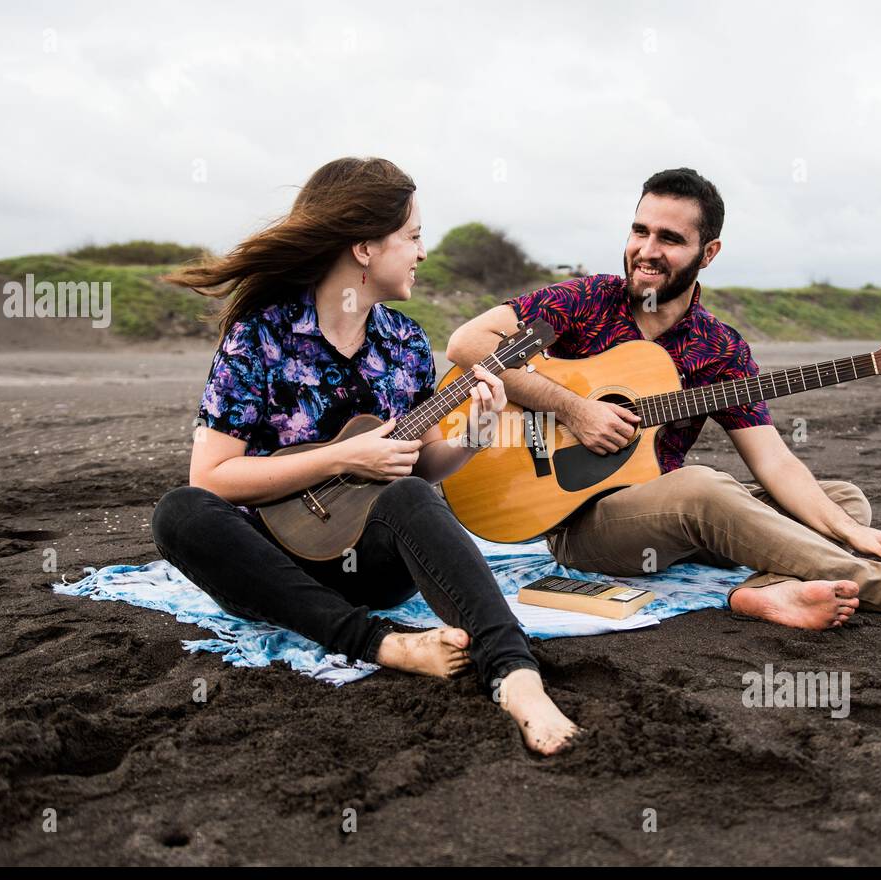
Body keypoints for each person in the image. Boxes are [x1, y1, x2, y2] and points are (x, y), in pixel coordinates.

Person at [445, 167, 881, 630]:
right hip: (580, 521)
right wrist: (575, 408)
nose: (646, 249)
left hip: (667, 520)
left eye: (669, 238)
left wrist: (851, 532)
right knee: (702, 486)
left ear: (707, 252)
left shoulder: (718, 349)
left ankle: (760, 595)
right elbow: (468, 343)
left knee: (843, 500)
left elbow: (772, 461)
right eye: (639, 230)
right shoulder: (585, 302)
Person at [153, 157, 577, 754]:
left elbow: (422, 464)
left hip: (369, 565)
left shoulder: (404, 343)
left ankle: (515, 673)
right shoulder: (260, 334)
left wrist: (475, 438)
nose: (423, 251)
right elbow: (213, 476)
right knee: (179, 513)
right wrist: (341, 459)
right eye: (412, 236)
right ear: (363, 248)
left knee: (410, 493)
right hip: (271, 564)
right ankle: (382, 645)